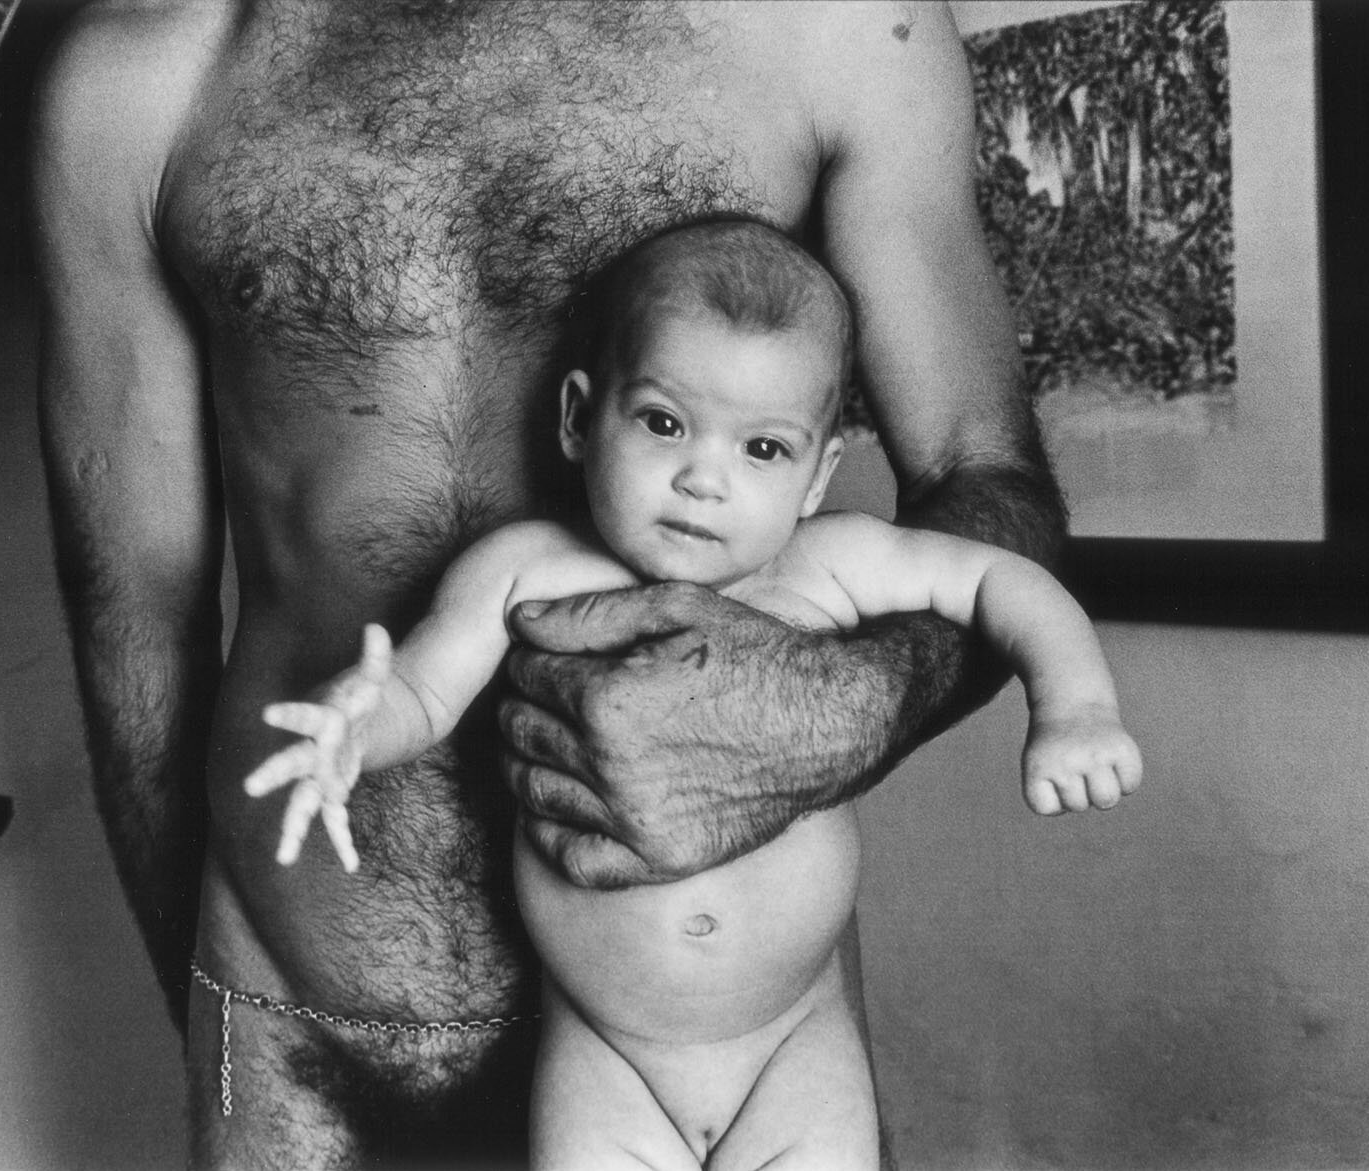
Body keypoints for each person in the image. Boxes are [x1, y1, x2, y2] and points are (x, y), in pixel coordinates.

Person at [32, 2, 1069, 1166]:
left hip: (710, 1045)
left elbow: (993, 489)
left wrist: (844, 705)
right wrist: (202, 999)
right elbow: (133, 610)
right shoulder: (142, 75)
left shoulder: (833, 29)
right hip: (294, 1027)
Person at [242, 219, 1141, 1171]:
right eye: (664, 423)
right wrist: (354, 726)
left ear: (817, 476)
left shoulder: (829, 563)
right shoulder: (525, 570)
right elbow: (422, 690)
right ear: (581, 419)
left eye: (762, 449)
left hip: (793, 1047)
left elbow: (1003, 581)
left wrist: (1075, 705)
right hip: (605, 1060)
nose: (703, 477)